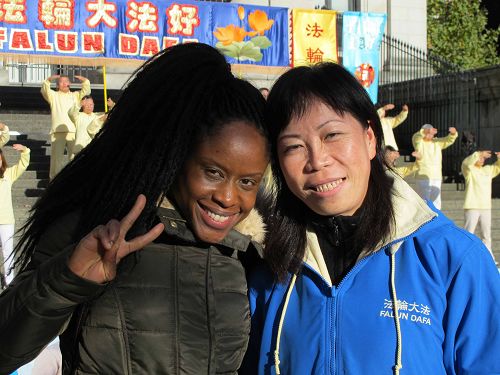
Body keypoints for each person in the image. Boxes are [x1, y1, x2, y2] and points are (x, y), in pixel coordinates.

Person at [0, 43, 269, 374]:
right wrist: (65, 281)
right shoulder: (95, 230)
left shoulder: (252, 255)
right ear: (175, 157)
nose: (227, 198)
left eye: (247, 182)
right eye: (213, 172)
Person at [240, 62, 500, 375]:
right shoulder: (267, 265)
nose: (318, 161)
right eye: (293, 146)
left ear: (370, 138)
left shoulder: (453, 259)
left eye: (332, 135)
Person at [41, 74, 91, 179]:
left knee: (74, 158)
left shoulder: (75, 95)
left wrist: (85, 81)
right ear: (58, 85)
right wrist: (48, 80)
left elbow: (86, 92)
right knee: (56, 160)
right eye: (61, 82)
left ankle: (74, 181)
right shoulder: (53, 96)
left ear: (70, 83)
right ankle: (54, 183)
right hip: (57, 132)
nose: (64, 84)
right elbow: (45, 91)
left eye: (66, 81)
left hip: (73, 131)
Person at [461, 150, 500, 263]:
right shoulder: (469, 170)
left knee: (486, 235)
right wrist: (478, 154)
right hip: (472, 206)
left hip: (486, 207)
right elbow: (466, 163)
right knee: (469, 233)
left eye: (483, 158)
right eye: (480, 157)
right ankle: (465, 259)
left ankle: (490, 259)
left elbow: (497, 167)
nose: (482, 159)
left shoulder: (488, 170)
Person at [0, 143, 30, 287]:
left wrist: (25, 151)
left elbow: (23, 164)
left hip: (6, 220)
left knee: (8, 253)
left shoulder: (8, 174)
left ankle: (9, 282)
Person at [412, 123, 458, 209]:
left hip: (436, 176)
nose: (431, 135)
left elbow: (448, 140)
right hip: (423, 176)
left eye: (432, 133)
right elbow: (417, 136)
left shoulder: (437, 142)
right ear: (424, 132)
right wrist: (425, 131)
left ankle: (437, 220)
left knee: (436, 202)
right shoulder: (418, 141)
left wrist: (453, 134)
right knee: (424, 203)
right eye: (428, 132)